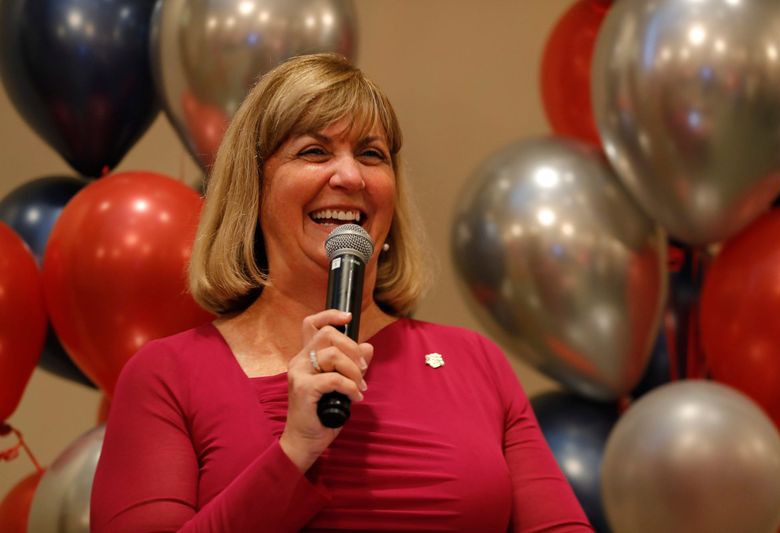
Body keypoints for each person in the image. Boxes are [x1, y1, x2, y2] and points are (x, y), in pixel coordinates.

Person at [90, 53, 592, 532]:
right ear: (253, 190)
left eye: (371, 155)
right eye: (314, 151)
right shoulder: (167, 377)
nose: (351, 177)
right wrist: (294, 451)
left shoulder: (476, 364)